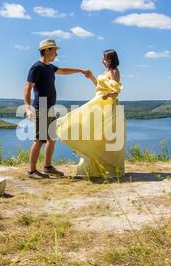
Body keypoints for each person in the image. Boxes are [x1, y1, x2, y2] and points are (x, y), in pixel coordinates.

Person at [24, 39, 92, 179]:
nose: (57, 54)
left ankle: (48, 167)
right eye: (55, 51)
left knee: (52, 138)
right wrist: (28, 108)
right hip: (41, 106)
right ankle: (31, 171)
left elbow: (64, 70)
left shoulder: (50, 67)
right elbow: (28, 87)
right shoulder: (37, 67)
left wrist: (80, 70)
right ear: (47, 50)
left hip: (50, 107)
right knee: (39, 140)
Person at [56, 49, 126, 179]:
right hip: (99, 103)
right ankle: (97, 166)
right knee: (93, 132)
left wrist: (108, 94)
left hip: (108, 106)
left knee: (106, 138)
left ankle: (109, 167)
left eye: (104, 58)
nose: (102, 60)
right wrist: (91, 77)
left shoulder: (115, 72)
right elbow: (98, 86)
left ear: (109, 60)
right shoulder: (105, 72)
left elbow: (116, 92)